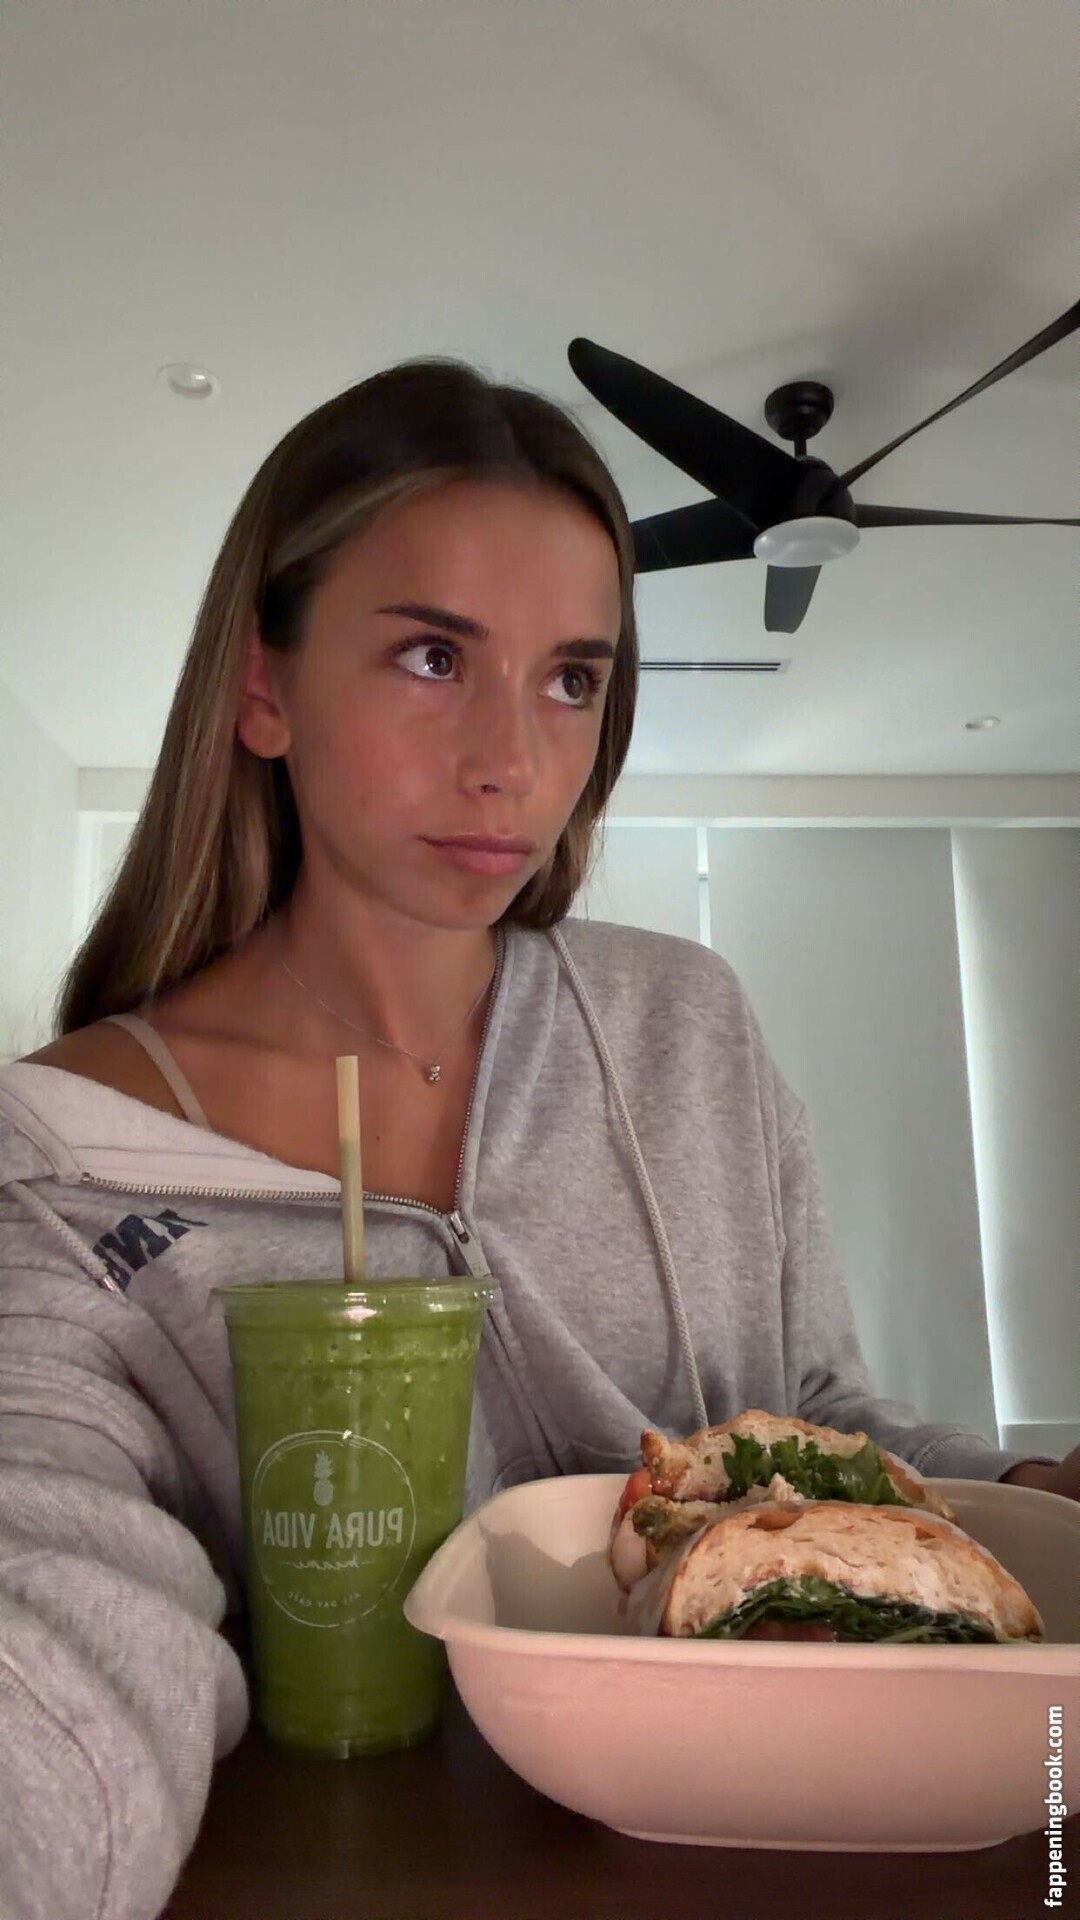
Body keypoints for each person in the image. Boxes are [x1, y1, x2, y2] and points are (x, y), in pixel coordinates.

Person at [1, 358, 1075, 1920]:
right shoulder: (68, 1168)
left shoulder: (685, 1023)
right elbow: (52, 1596)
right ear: (264, 689)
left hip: (785, 1842)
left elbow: (822, 1419)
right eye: (434, 655)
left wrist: (1029, 1487)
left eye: (572, 678)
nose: (512, 761)